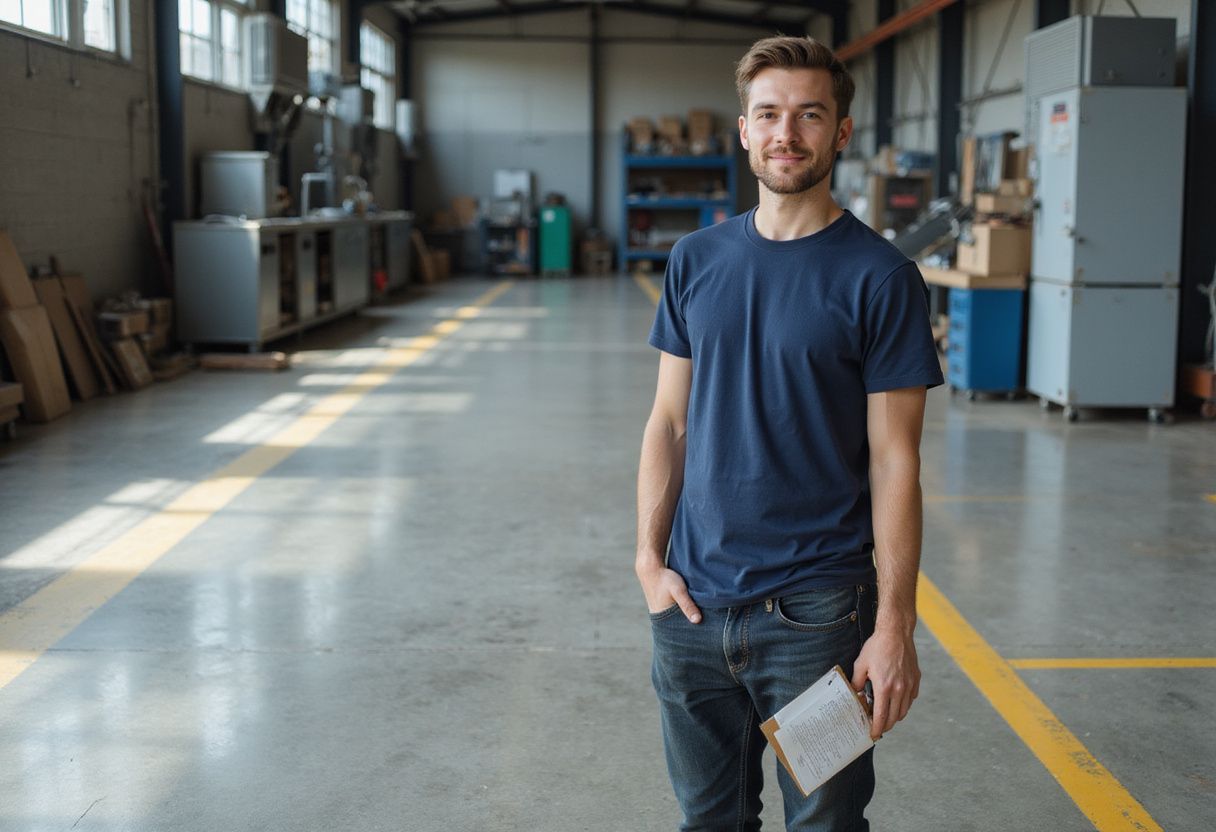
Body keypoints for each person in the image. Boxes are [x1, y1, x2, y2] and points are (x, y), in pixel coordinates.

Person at [635, 35, 944, 831]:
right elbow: (668, 421)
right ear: (743, 130)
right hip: (694, 611)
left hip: (816, 620)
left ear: (841, 132)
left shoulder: (880, 278)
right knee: (709, 822)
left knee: (825, 824)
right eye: (768, 114)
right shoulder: (696, 260)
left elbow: (896, 458)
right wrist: (648, 562)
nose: (786, 133)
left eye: (809, 115)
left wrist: (894, 626)